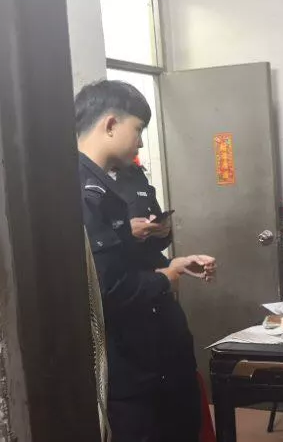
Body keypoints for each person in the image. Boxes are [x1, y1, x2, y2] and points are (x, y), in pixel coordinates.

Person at [76, 80, 216, 442]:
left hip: (157, 345)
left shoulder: (124, 177)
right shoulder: (80, 191)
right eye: (137, 130)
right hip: (130, 360)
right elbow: (107, 287)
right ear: (110, 124)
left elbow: (130, 257)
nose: (140, 142)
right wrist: (166, 276)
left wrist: (173, 262)